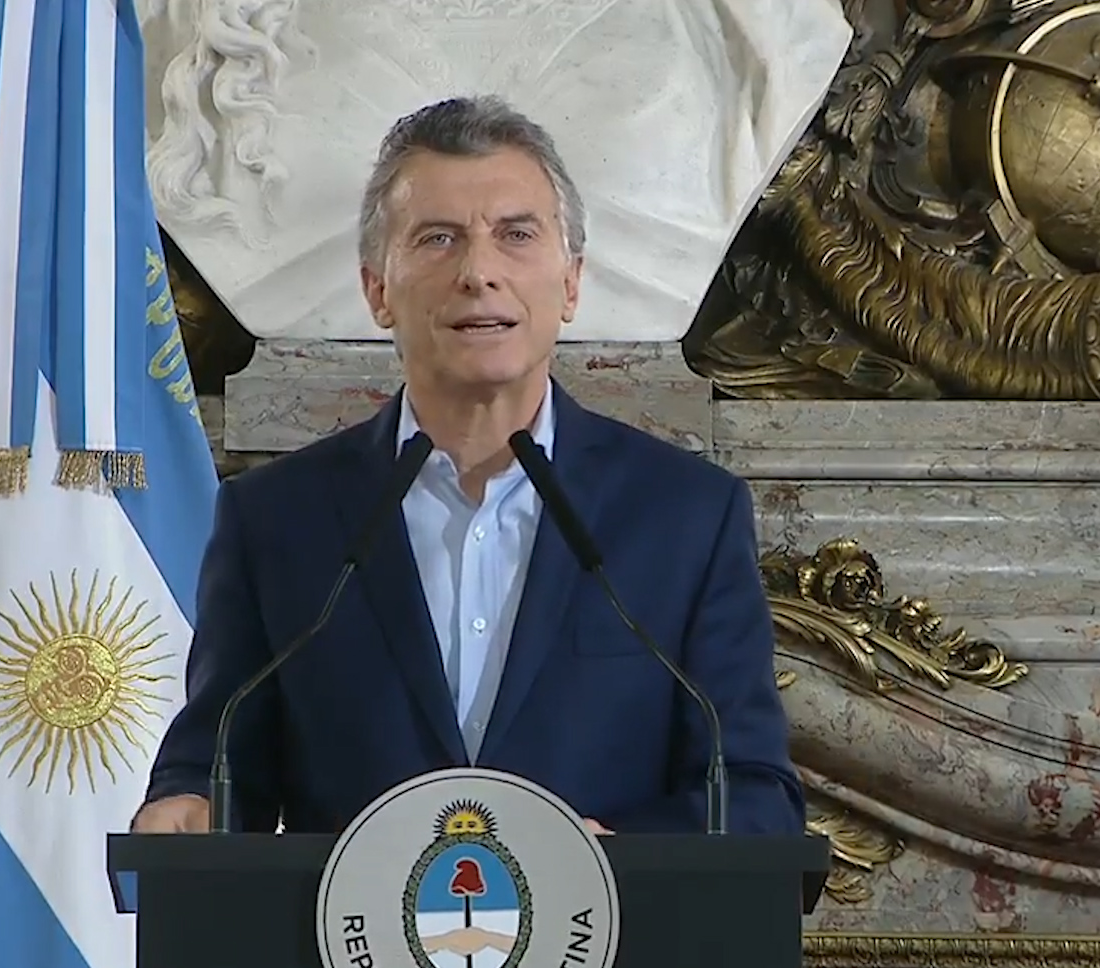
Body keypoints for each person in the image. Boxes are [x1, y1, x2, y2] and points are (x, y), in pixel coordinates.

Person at [133, 95, 804, 836]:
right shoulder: (274, 520)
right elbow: (218, 765)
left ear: (572, 282)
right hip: (341, 948)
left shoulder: (685, 516)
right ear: (377, 290)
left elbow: (753, 794)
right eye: (438, 239)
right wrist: (188, 805)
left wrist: (615, 859)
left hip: (617, 945)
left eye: (516, 235)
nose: (479, 271)